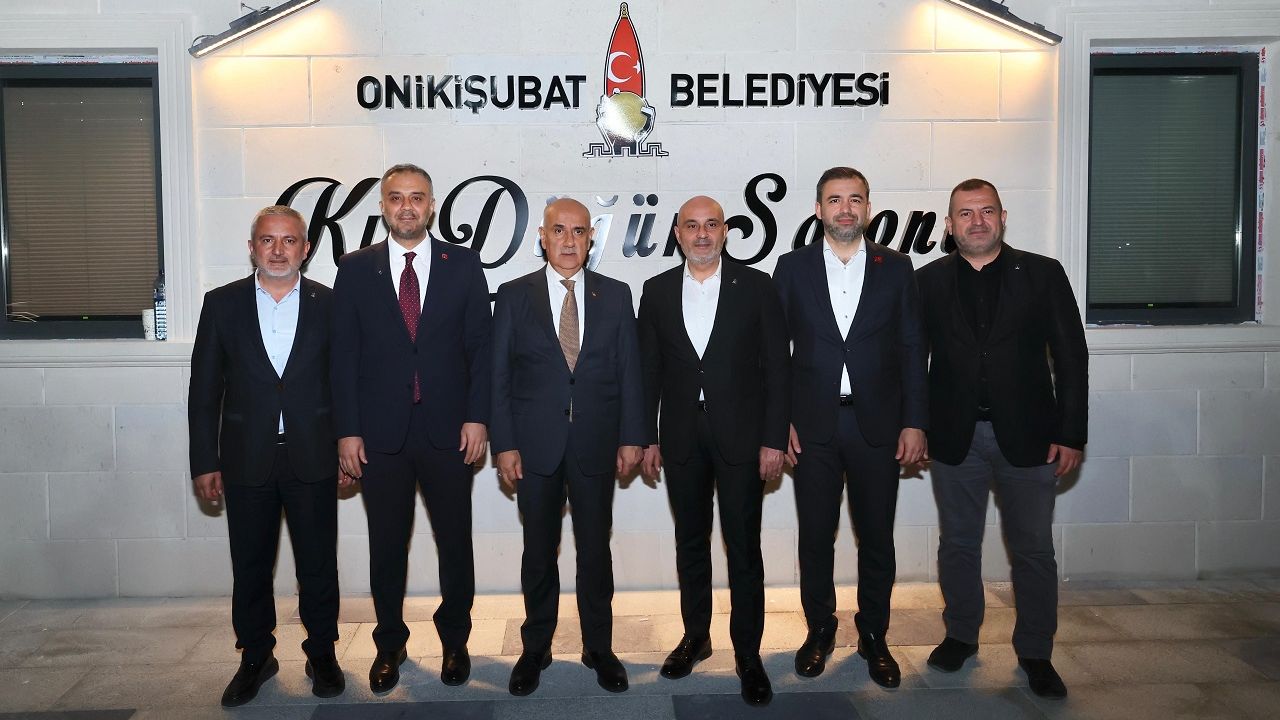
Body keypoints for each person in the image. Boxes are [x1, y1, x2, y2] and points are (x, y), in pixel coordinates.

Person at [916, 178, 1087, 699]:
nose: (977, 221)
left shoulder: (1042, 273)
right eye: (965, 214)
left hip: (1032, 438)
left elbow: (1071, 356)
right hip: (954, 438)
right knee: (958, 544)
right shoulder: (927, 281)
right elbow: (910, 361)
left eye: (986, 211)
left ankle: (1036, 651)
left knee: (1033, 549)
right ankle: (961, 635)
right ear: (949, 225)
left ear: (1003, 217)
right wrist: (913, 424)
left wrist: (1071, 433)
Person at [331, 163, 491, 693]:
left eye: (417, 197)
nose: (407, 206)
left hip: (450, 430)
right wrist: (347, 431)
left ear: (431, 205)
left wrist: (478, 416)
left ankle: (455, 640)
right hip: (380, 435)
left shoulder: (462, 264)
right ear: (382, 206)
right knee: (386, 545)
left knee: (455, 543)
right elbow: (343, 356)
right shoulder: (355, 268)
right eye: (396, 197)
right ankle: (389, 643)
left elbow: (480, 349)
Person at [772, 166, 928, 689]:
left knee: (876, 537)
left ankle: (874, 635)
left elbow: (912, 348)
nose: (845, 209)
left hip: (877, 426)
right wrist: (778, 421)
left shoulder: (896, 267)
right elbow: (773, 352)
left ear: (867, 207)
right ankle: (820, 630)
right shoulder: (791, 267)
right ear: (819, 209)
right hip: (811, 426)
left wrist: (914, 422)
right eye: (835, 200)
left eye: (855, 199)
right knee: (816, 537)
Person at [636, 195, 789, 706]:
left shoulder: (758, 287)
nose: (702, 234)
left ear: (725, 231)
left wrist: (774, 438)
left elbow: (778, 369)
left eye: (711, 225)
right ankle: (696, 637)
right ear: (677, 233)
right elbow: (649, 370)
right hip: (681, 436)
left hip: (743, 437)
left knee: (743, 547)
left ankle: (748, 654)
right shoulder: (656, 291)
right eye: (691, 226)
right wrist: (647, 435)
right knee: (691, 542)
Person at [490, 198, 646, 697]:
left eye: (579, 231)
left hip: (597, 445)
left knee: (595, 552)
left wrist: (632, 436)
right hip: (534, 448)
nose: (569, 240)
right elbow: (499, 377)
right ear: (542, 236)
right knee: (538, 552)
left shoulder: (616, 294)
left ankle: (598, 647)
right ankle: (535, 648)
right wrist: (504, 444)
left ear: (591, 238)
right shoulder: (513, 295)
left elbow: (631, 371)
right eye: (559, 230)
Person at [188, 205, 343, 707]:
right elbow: (203, 392)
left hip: (313, 455)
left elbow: (345, 383)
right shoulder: (221, 304)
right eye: (268, 240)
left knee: (317, 564)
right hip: (245, 458)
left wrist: (348, 444)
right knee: (250, 565)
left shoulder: (330, 304)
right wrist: (204, 461)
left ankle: (322, 653)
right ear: (252, 247)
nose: (278, 250)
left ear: (306, 248)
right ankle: (256, 656)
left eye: (289, 241)